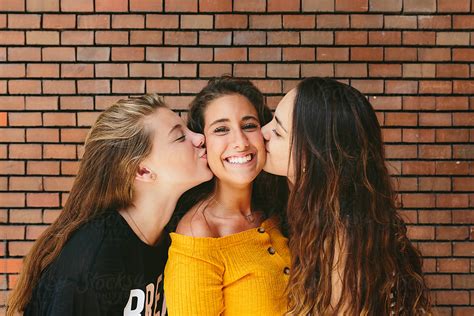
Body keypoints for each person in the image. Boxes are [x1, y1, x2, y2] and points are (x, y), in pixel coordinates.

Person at [7, 94, 213, 315]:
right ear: (142, 171)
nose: (200, 138)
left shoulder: (177, 232)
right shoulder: (96, 258)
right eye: (180, 137)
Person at [261, 77, 431, 315]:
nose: (263, 132)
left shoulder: (343, 238)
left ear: (312, 156)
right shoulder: (326, 211)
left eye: (278, 132)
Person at [164, 76, 290, 315]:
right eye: (221, 129)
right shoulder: (198, 234)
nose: (241, 142)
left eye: (249, 125)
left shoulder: (275, 210)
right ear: (203, 143)